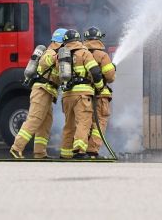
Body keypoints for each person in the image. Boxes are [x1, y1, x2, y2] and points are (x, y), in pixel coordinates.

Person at [9, 28, 67, 159]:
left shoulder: (55, 53)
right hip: (41, 91)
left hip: (48, 92)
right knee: (34, 119)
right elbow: (47, 64)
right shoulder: (50, 53)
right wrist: (60, 60)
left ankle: (40, 152)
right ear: (61, 42)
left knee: (45, 123)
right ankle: (16, 148)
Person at [59, 29, 104, 159]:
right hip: (82, 95)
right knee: (83, 123)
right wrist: (99, 87)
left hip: (67, 95)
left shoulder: (61, 56)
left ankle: (65, 153)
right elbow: (95, 72)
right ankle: (79, 151)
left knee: (69, 125)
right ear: (78, 40)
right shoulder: (84, 53)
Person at [83, 26, 116, 158]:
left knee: (84, 122)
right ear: (99, 39)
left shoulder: (81, 54)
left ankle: (80, 149)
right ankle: (92, 151)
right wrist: (113, 69)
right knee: (99, 122)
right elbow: (110, 77)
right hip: (101, 95)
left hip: (84, 95)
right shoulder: (103, 55)